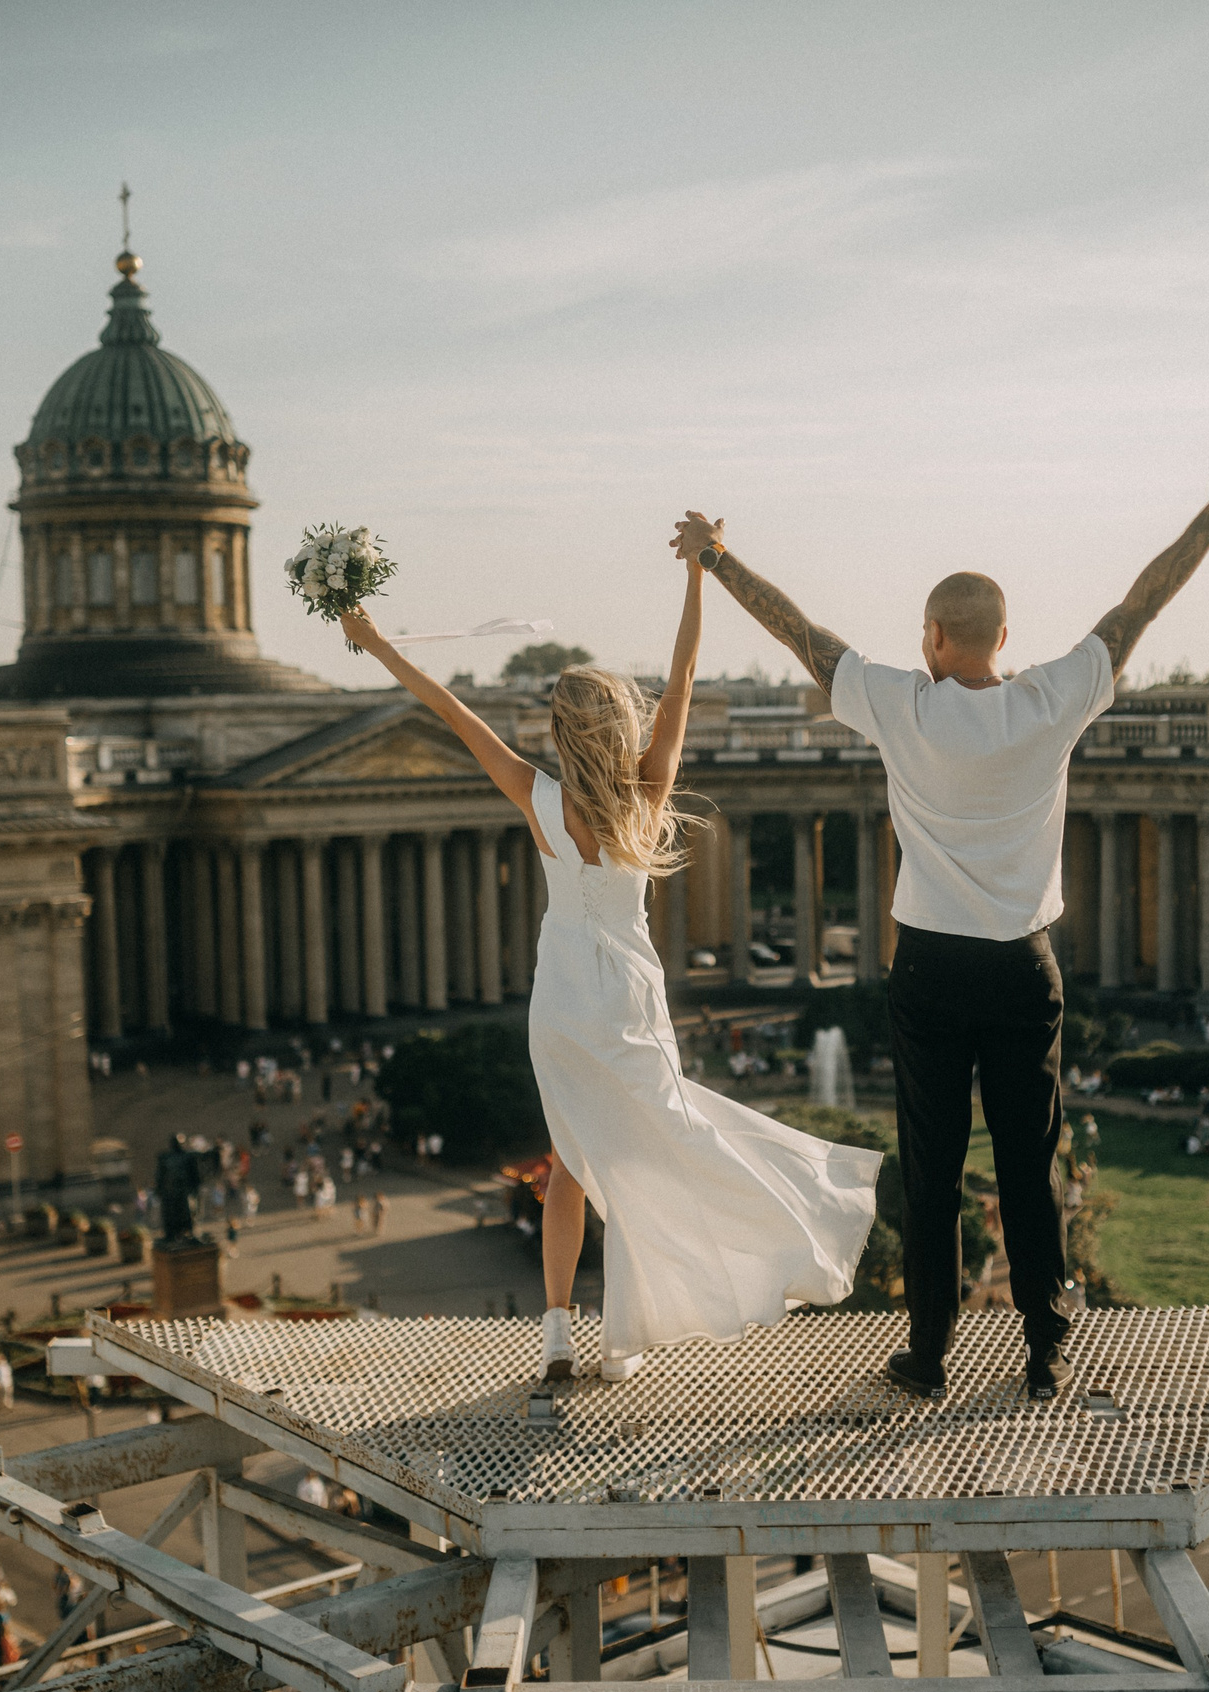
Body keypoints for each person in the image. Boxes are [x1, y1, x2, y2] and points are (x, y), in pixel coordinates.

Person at [678, 436, 1209, 1400]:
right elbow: (1139, 606)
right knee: (1030, 1160)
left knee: (934, 1165)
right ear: (1005, 636)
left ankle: (930, 1353)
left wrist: (714, 556)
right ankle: (1047, 1343)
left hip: (930, 969)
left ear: (931, 637)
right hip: (1023, 967)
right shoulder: (1053, 698)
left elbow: (800, 631)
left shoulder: (899, 705)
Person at [341, 542, 880, 1387]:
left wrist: (374, 643)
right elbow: (687, 670)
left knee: (568, 1162)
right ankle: (626, 1332)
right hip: (627, 994)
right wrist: (699, 578)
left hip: (559, 997)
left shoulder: (535, 795)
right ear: (623, 726)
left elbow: (448, 710)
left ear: (557, 733)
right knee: (644, 1154)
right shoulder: (648, 795)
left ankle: (557, 1334)